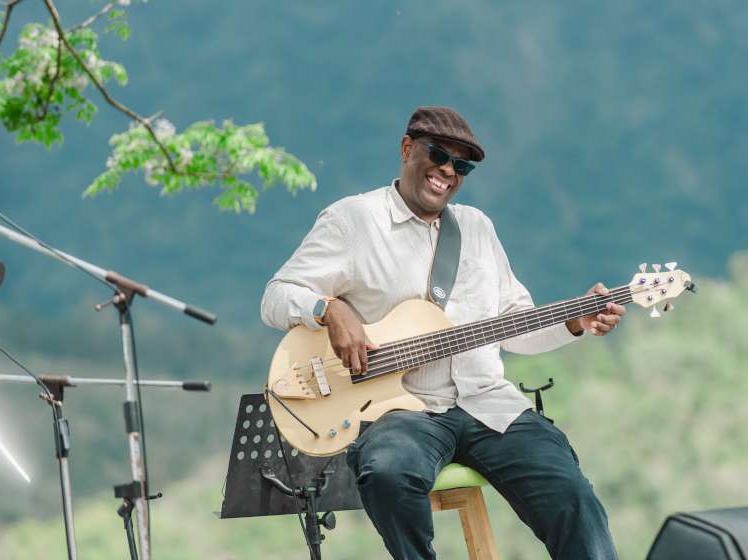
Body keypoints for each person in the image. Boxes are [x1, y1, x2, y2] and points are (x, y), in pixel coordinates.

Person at [261, 106, 624, 559]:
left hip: (487, 405)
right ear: (407, 148)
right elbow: (276, 296)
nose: (448, 171)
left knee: (571, 493)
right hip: (401, 413)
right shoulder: (352, 220)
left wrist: (575, 322)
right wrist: (328, 309)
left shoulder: (477, 228)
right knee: (387, 471)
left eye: (462, 166)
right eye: (438, 155)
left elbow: (514, 325)